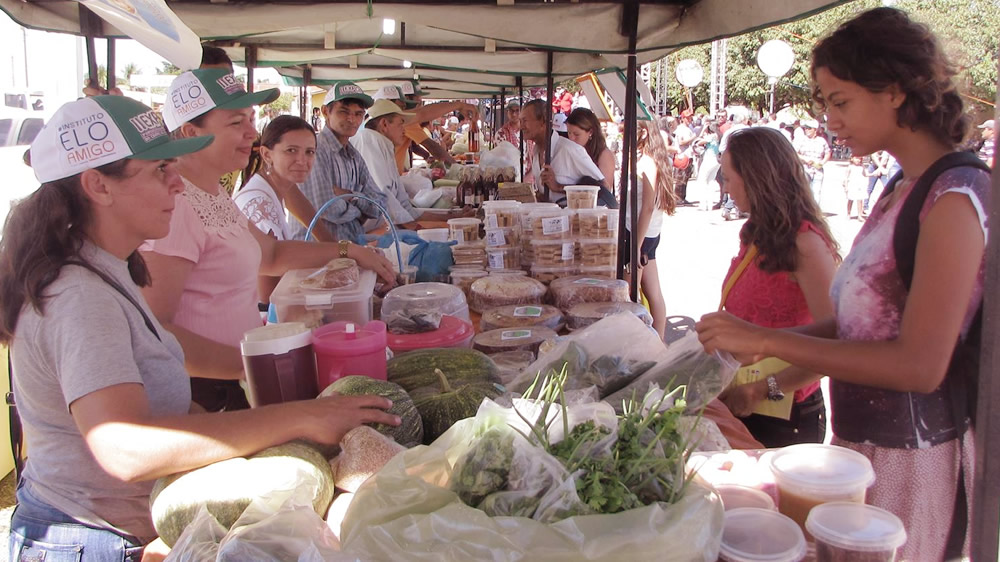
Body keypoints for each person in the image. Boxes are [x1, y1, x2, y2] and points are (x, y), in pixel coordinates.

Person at [1, 96, 399, 560]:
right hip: (89, 540)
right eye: (157, 170)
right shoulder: (80, 297)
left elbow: (157, 386)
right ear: (98, 186)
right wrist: (302, 418)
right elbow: (122, 446)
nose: (176, 184)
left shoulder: (108, 269)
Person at [697, 9, 989, 559]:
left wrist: (764, 342)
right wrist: (760, 361)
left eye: (841, 101)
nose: (830, 118)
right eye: (825, 103)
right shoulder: (902, 187)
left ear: (896, 91)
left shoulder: (953, 198)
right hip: (859, 450)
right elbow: (856, 328)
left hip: (912, 459)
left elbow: (920, 365)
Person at [142, 71, 395, 413]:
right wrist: (251, 366)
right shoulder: (174, 206)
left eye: (251, 119)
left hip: (243, 377)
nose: (251, 132)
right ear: (190, 132)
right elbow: (154, 331)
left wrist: (349, 250)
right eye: (236, 123)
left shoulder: (215, 194)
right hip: (208, 393)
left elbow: (272, 254)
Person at [715, 127, 839, 447]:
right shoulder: (754, 232)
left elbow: (834, 344)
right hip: (745, 401)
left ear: (755, 178)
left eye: (728, 178)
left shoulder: (806, 243)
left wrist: (762, 390)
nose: (724, 188)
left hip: (786, 416)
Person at [234, 116, 335, 301]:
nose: (302, 161)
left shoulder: (277, 185)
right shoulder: (259, 205)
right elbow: (267, 295)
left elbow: (295, 199)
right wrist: (343, 254)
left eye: (309, 152)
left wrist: (337, 252)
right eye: (291, 151)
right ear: (266, 154)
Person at [289, 80, 390, 242]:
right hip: (316, 254)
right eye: (343, 112)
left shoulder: (353, 155)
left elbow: (380, 205)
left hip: (348, 247)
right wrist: (360, 211)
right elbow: (329, 209)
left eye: (358, 114)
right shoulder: (316, 150)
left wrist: (351, 196)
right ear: (325, 112)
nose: (352, 119)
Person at [351, 99, 472, 228]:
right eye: (400, 124)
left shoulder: (383, 145)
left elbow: (406, 208)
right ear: (384, 124)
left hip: (376, 228)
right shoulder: (369, 141)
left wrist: (451, 217)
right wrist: (416, 230)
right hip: (351, 239)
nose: (404, 130)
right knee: (343, 249)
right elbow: (383, 196)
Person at [624, 120, 677, 339]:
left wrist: (636, 245)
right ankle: (659, 341)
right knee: (652, 291)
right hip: (647, 234)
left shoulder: (646, 163)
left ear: (642, 134)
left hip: (639, 234)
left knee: (628, 293)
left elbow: (646, 207)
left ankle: (641, 342)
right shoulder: (654, 160)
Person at [520, 99, 606, 206]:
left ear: (543, 121)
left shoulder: (569, 150)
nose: (521, 126)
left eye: (525, 121)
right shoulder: (536, 151)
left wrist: (558, 186)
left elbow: (601, 188)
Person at [565, 107, 617, 195]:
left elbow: (605, 191)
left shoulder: (604, 155)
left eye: (576, 134)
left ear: (590, 132)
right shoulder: (569, 150)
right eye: (569, 133)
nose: (572, 138)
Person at [794, 119, 831, 205]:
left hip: (817, 170)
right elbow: (794, 152)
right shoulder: (801, 140)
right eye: (805, 128)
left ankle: (815, 213)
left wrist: (822, 162)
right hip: (804, 169)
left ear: (815, 129)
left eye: (809, 128)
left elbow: (828, 152)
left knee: (816, 192)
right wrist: (804, 159)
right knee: (804, 191)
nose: (806, 130)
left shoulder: (821, 141)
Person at [691, 121, 722, 211]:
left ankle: (703, 204)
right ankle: (709, 203)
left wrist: (703, 130)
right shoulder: (719, 136)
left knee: (702, 180)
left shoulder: (711, 136)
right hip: (716, 160)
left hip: (709, 158)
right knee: (711, 181)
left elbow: (699, 141)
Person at [842, 155, 869, 220]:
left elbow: (866, 174)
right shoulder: (850, 167)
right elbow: (846, 177)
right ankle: (848, 213)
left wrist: (873, 174)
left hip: (859, 185)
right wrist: (846, 186)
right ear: (852, 159)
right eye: (856, 158)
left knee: (860, 200)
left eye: (860, 159)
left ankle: (859, 215)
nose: (858, 160)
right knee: (850, 199)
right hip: (852, 185)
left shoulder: (862, 166)